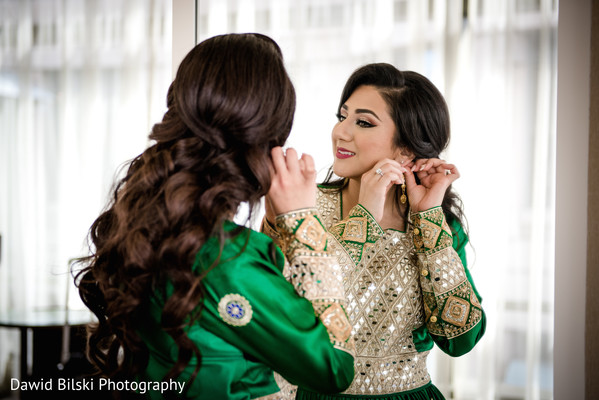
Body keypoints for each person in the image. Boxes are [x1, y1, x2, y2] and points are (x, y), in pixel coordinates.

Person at [73, 33, 355, 400]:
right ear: (268, 139)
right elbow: (333, 368)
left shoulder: (143, 226)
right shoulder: (226, 260)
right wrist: (302, 223)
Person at [262, 63, 486, 399]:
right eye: (343, 116)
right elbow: (282, 322)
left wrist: (429, 218)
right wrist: (363, 218)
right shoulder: (299, 205)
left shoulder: (435, 224)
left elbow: (460, 340)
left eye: (363, 122)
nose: (341, 132)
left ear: (406, 149)